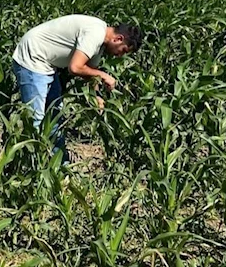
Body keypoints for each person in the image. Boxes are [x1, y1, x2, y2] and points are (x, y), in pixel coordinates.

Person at [11, 14, 142, 161]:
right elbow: (75, 68)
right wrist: (103, 75)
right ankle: (29, 165)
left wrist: (96, 96)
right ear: (118, 39)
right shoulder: (95, 34)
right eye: (123, 50)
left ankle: (59, 163)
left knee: (54, 116)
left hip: (48, 64)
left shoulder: (100, 44)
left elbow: (89, 73)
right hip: (34, 57)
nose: (120, 56)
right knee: (36, 119)